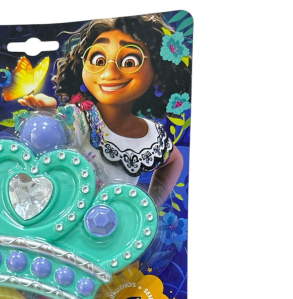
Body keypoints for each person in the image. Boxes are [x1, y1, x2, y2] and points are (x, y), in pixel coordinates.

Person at [18, 14, 191, 205]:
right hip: (67, 217)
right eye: (99, 60)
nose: (109, 73)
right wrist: (49, 117)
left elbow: (174, 160)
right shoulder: (79, 118)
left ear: (157, 71)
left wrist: (150, 207)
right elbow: (46, 143)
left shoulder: (152, 136)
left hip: (117, 221)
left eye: (129, 62)